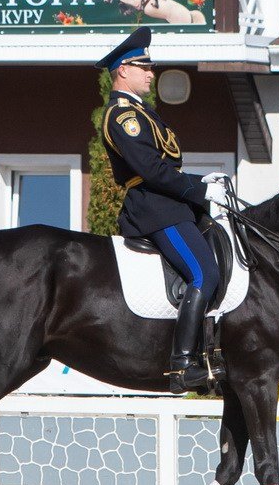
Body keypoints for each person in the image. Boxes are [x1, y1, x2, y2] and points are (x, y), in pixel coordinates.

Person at [98, 26, 230, 393]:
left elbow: (168, 166)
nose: (151, 73)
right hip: (156, 208)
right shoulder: (122, 116)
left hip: (171, 203)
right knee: (204, 272)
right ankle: (182, 366)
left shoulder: (144, 112)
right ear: (123, 70)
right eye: (144, 67)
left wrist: (206, 180)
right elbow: (152, 171)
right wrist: (199, 189)